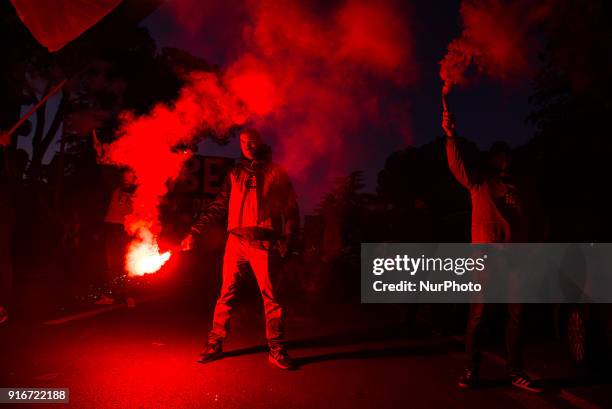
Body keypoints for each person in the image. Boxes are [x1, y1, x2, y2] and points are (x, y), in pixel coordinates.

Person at [181, 128, 299, 369]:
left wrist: (289, 238)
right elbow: (218, 206)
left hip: (265, 242)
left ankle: (276, 348)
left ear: (260, 142)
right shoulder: (234, 172)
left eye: (252, 141)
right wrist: (195, 231)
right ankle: (215, 344)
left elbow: (291, 210)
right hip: (236, 242)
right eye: (244, 142)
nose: (248, 145)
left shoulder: (277, 173)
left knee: (272, 298)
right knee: (226, 294)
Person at [442, 109, 542, 393]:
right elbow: (457, 165)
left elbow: (535, 221)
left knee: (517, 315)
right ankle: (471, 370)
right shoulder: (479, 182)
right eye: (499, 154)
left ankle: (515, 372)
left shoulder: (522, 189)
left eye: (507, 154)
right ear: (492, 159)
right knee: (478, 316)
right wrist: (451, 136)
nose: (504, 158)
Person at [99, 168, 136, 306]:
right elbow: (106, 174)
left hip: (125, 229)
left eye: (130, 178)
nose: (126, 181)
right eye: (124, 178)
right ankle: (111, 295)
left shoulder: (139, 192)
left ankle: (129, 295)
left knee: (127, 263)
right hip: (110, 226)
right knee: (111, 262)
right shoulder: (115, 189)